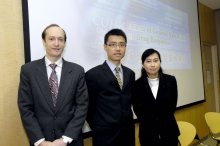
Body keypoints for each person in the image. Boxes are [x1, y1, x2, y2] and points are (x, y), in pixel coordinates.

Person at [18, 24, 88, 146]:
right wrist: (40, 141)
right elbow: (25, 107)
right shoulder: (28, 70)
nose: (56, 43)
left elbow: (82, 106)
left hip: (71, 141)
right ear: (43, 42)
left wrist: (65, 139)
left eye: (60, 39)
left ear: (64, 43)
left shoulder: (77, 71)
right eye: (51, 39)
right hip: (41, 141)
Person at [85, 29, 135, 146]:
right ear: (105, 47)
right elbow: (89, 108)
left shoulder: (130, 74)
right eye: (113, 44)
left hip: (127, 134)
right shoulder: (93, 74)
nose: (118, 48)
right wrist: (100, 127)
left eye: (122, 45)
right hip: (105, 137)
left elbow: (128, 102)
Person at [132, 48, 180, 146]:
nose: (152, 64)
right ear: (143, 64)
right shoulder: (136, 85)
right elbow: (137, 109)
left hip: (169, 131)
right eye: (148, 61)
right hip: (148, 133)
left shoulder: (171, 80)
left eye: (155, 60)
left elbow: (172, 105)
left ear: (160, 62)